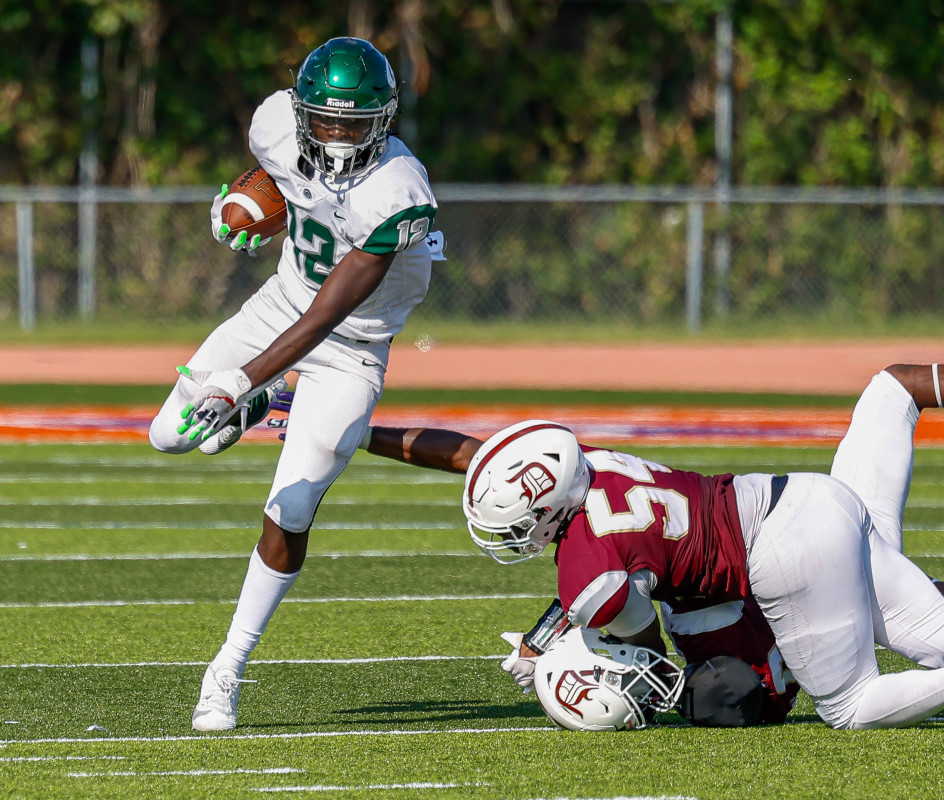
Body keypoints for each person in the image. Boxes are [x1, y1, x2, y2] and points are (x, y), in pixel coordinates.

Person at [352, 363, 944, 730]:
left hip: (788, 557)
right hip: (808, 495)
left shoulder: (586, 571)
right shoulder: (592, 463)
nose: (510, 535)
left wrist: (583, 656)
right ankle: (902, 389)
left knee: (851, 708)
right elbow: (473, 457)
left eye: (516, 522)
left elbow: (647, 646)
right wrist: (359, 433)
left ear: (548, 507)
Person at [147, 36, 442, 732]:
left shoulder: (399, 194)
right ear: (302, 114)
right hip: (275, 309)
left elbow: (327, 316)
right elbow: (276, 180)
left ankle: (226, 669)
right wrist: (243, 209)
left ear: (385, 122)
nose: (338, 139)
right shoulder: (275, 124)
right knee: (165, 438)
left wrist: (242, 378)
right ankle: (261, 402)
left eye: (355, 125)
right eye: (327, 122)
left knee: (293, 506)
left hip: (348, 348)